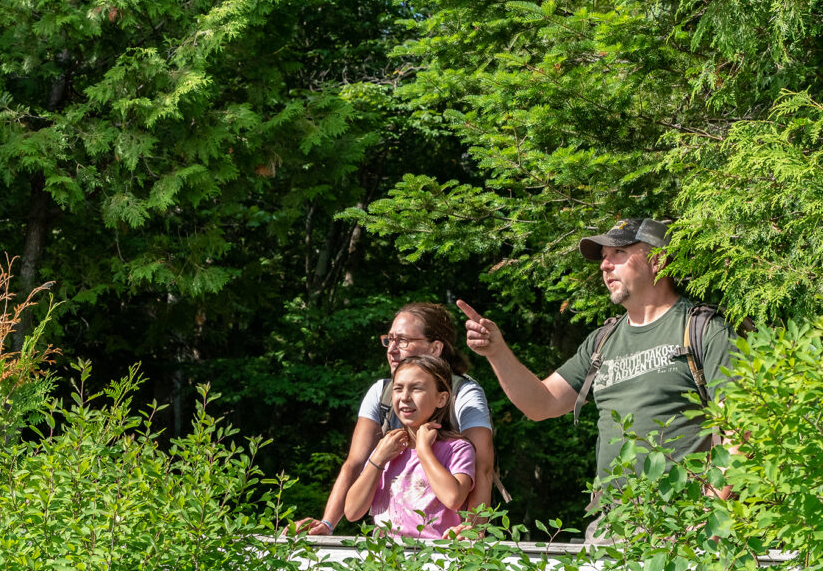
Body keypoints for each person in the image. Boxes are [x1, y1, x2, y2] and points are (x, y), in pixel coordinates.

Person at [457, 218, 735, 515]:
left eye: (618, 254)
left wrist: (712, 516)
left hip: (684, 519)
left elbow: (740, 430)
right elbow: (541, 404)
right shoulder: (603, 341)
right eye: (604, 258)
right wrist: (497, 352)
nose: (605, 266)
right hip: (611, 523)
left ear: (658, 260)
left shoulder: (704, 330)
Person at [295, 302, 494, 535]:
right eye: (389, 340)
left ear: (435, 348)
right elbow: (355, 464)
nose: (391, 349)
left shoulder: (465, 394)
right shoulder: (382, 392)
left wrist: (472, 530)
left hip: (445, 541)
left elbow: (483, 468)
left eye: (403, 340)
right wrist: (328, 524)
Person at [344, 356, 476, 538]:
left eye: (416, 389)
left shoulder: (458, 449)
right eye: (398, 388)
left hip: (436, 559)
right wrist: (377, 459)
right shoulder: (386, 449)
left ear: (442, 399)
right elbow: (352, 512)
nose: (405, 397)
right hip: (385, 559)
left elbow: (453, 498)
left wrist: (424, 451)